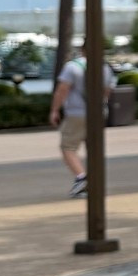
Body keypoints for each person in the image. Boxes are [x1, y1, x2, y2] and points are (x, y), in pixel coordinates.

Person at [48, 45, 115, 197]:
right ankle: (96, 181)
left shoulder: (72, 67)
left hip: (76, 113)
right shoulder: (105, 67)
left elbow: (62, 89)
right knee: (94, 148)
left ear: (82, 50)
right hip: (98, 113)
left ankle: (81, 178)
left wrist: (54, 110)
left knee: (68, 146)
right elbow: (108, 91)